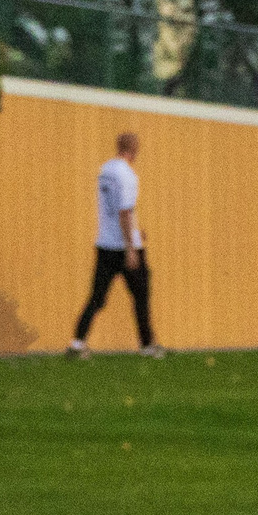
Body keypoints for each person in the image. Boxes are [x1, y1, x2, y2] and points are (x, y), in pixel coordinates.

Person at [68, 131, 163, 356]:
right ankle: (147, 345)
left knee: (97, 297)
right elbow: (124, 212)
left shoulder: (105, 171)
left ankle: (77, 344)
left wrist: (137, 233)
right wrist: (131, 247)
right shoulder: (128, 175)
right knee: (141, 295)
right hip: (124, 247)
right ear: (134, 148)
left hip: (105, 244)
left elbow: (111, 209)